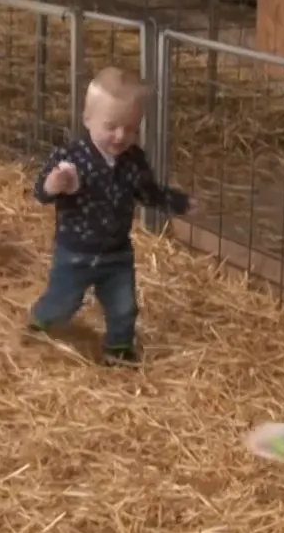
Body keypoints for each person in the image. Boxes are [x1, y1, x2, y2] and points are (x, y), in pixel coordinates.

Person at [27, 66, 189, 366]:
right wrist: (53, 184)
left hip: (116, 254)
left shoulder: (133, 160)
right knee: (63, 301)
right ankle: (39, 326)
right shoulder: (70, 158)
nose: (121, 135)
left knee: (124, 307)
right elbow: (40, 193)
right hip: (74, 253)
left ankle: (118, 350)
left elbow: (148, 193)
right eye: (112, 126)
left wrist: (180, 203)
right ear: (87, 118)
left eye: (130, 128)